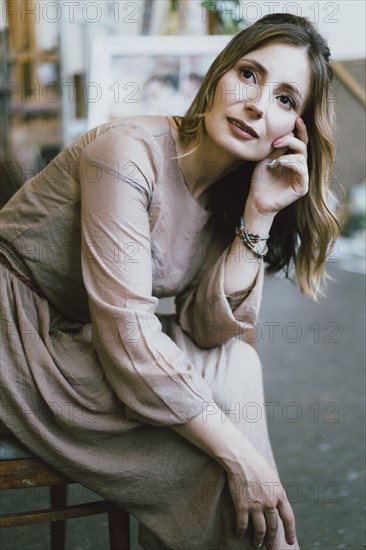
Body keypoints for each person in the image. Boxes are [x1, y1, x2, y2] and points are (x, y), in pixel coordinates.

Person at [0, 13, 339, 550]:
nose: (256, 103)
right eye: (249, 75)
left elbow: (209, 332)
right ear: (219, 74)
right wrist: (242, 456)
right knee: (213, 468)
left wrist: (259, 214)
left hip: (79, 336)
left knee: (237, 363)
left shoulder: (231, 190)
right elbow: (130, 336)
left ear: (294, 131)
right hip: (15, 334)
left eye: (284, 99)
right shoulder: (127, 150)